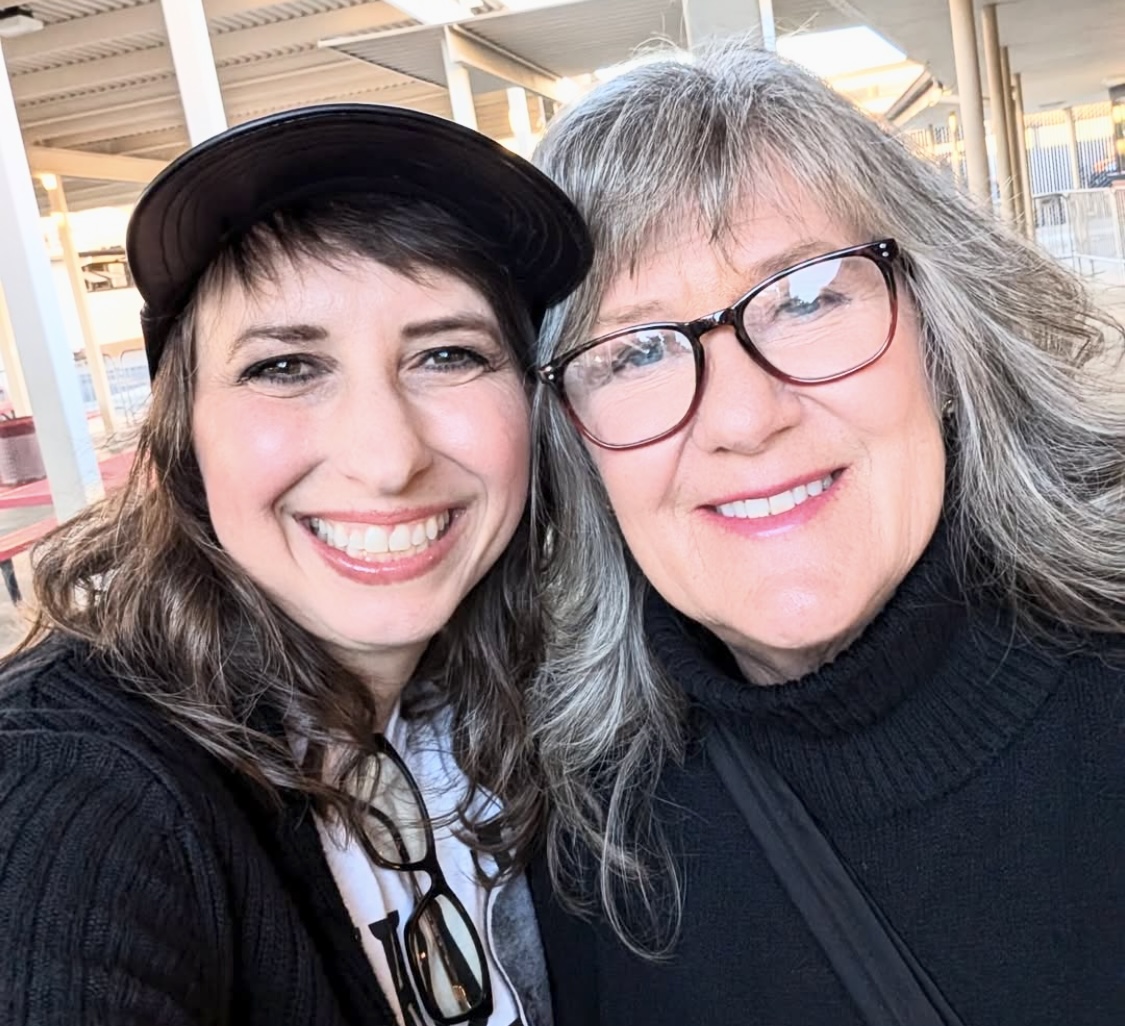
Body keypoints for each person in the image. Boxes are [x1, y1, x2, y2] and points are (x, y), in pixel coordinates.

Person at [525, 41, 1125, 1026]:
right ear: (575, 448)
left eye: (805, 298)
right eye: (633, 353)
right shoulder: (586, 842)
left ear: (941, 336)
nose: (743, 417)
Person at [0, 104, 589, 1025]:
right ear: (184, 436)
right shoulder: (66, 786)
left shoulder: (536, 701)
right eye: (285, 367)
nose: (388, 459)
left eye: (447, 355)